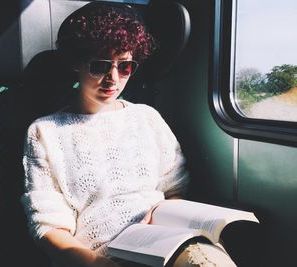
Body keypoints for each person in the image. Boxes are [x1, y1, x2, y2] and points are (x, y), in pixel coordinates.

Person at [21, 2, 237, 267]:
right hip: (97, 256)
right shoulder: (46, 132)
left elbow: (175, 190)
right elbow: (49, 228)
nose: (113, 79)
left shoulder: (147, 118)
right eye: (100, 66)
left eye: (124, 67)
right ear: (77, 63)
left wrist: (164, 214)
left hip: (166, 242)